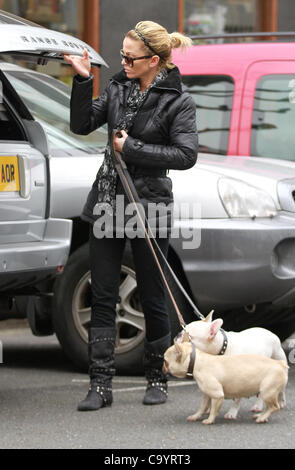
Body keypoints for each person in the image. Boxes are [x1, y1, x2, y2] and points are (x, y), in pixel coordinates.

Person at [64, 20, 198, 411]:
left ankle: (157, 377)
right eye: (121, 55)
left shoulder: (178, 99)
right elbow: (81, 124)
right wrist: (83, 80)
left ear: (153, 60)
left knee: (153, 295)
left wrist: (133, 147)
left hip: (149, 204)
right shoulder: (118, 88)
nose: (122, 61)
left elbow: (185, 155)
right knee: (103, 293)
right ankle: (100, 385)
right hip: (108, 199)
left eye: (129, 57)